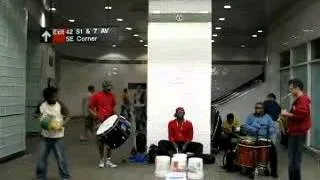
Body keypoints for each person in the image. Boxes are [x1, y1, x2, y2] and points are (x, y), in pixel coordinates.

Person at [35, 87, 71, 180]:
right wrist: (43, 121)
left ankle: (65, 177)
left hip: (58, 138)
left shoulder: (60, 104)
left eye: (56, 96)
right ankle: (40, 177)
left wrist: (61, 124)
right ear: (47, 98)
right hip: (45, 137)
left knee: (61, 160)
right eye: (53, 97)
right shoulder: (41, 105)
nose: (55, 98)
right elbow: (36, 115)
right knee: (41, 160)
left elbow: (68, 116)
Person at [281, 79, 311, 180]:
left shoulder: (303, 99)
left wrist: (286, 114)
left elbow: (302, 114)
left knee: (294, 161)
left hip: (297, 134)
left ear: (297, 88)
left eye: (291, 89)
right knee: (293, 160)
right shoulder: (299, 99)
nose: (290, 92)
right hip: (295, 132)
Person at [244, 102, 278, 178]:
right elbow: (246, 126)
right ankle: (249, 168)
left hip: (264, 138)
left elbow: (272, 126)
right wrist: (253, 129)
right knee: (248, 150)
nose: (257, 109)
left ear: (263, 109)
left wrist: (270, 130)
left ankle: (273, 172)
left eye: (259, 108)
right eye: (256, 108)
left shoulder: (268, 117)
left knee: (273, 152)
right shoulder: (250, 117)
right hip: (252, 138)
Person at [89, 80, 117, 168]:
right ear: (104, 87)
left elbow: (113, 108)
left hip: (109, 121)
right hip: (100, 122)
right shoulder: (97, 96)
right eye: (108, 88)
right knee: (100, 142)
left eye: (110, 88)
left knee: (110, 142)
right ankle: (101, 160)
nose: (109, 90)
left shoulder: (112, 96)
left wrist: (116, 117)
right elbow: (89, 108)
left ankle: (108, 161)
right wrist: (95, 115)